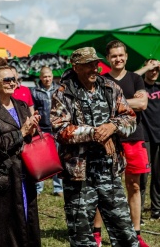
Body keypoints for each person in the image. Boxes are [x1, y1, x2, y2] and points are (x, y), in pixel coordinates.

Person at [50, 47, 139, 246]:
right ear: (76, 67)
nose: (94, 68)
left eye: (95, 63)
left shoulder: (110, 88)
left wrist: (112, 126)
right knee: (81, 233)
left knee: (124, 229)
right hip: (79, 175)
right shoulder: (63, 93)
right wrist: (94, 133)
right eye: (88, 64)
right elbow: (60, 129)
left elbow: (130, 119)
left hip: (109, 171)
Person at [0, 64, 41, 247]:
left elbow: (28, 138)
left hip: (24, 173)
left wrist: (32, 131)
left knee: (26, 222)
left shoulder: (21, 106)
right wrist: (21, 132)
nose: (12, 82)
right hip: (1, 177)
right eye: (6, 79)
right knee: (3, 229)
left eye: (14, 79)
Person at [103, 40, 150, 247]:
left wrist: (113, 103)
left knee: (134, 186)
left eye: (121, 55)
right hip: (108, 140)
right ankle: (97, 234)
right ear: (108, 59)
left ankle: (136, 233)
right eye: (114, 56)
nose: (118, 59)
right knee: (103, 187)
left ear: (126, 56)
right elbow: (99, 105)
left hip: (133, 138)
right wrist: (128, 102)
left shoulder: (135, 78)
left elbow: (142, 104)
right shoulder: (101, 80)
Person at [31, 66, 63, 197]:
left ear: (52, 76)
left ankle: (58, 187)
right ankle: (39, 188)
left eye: (49, 76)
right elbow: (32, 109)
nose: (47, 79)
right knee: (42, 160)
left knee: (57, 158)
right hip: (42, 129)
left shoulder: (59, 90)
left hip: (56, 128)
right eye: (44, 76)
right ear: (40, 77)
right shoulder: (35, 91)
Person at [135, 59, 160, 221]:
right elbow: (130, 77)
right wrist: (146, 67)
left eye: (157, 68)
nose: (154, 71)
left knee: (158, 176)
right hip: (144, 137)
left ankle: (156, 210)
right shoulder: (139, 86)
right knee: (143, 176)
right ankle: (139, 210)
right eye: (151, 68)